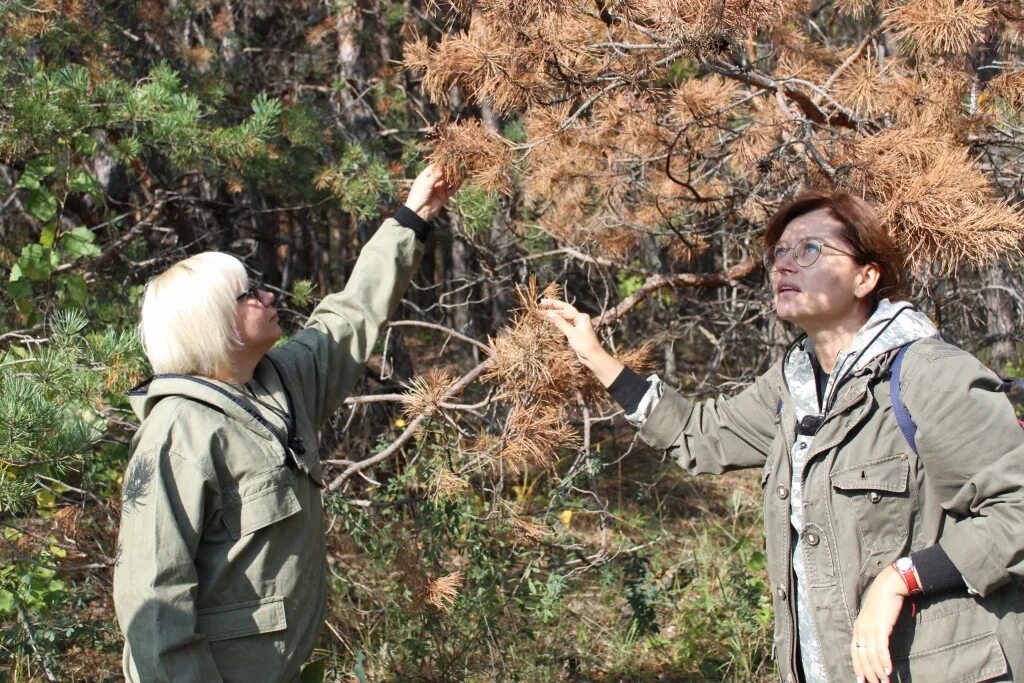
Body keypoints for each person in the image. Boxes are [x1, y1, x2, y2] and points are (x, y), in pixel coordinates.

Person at [542, 191, 1024, 683]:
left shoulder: (928, 375)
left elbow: (1017, 513)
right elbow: (699, 434)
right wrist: (595, 358)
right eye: (779, 254)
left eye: (810, 250)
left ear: (866, 277)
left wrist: (902, 578)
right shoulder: (791, 386)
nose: (784, 266)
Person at [113, 165, 458, 682]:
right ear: (214, 323)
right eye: (248, 293)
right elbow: (153, 598)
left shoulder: (279, 381)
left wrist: (416, 213)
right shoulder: (176, 436)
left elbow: (350, 315)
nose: (268, 295)